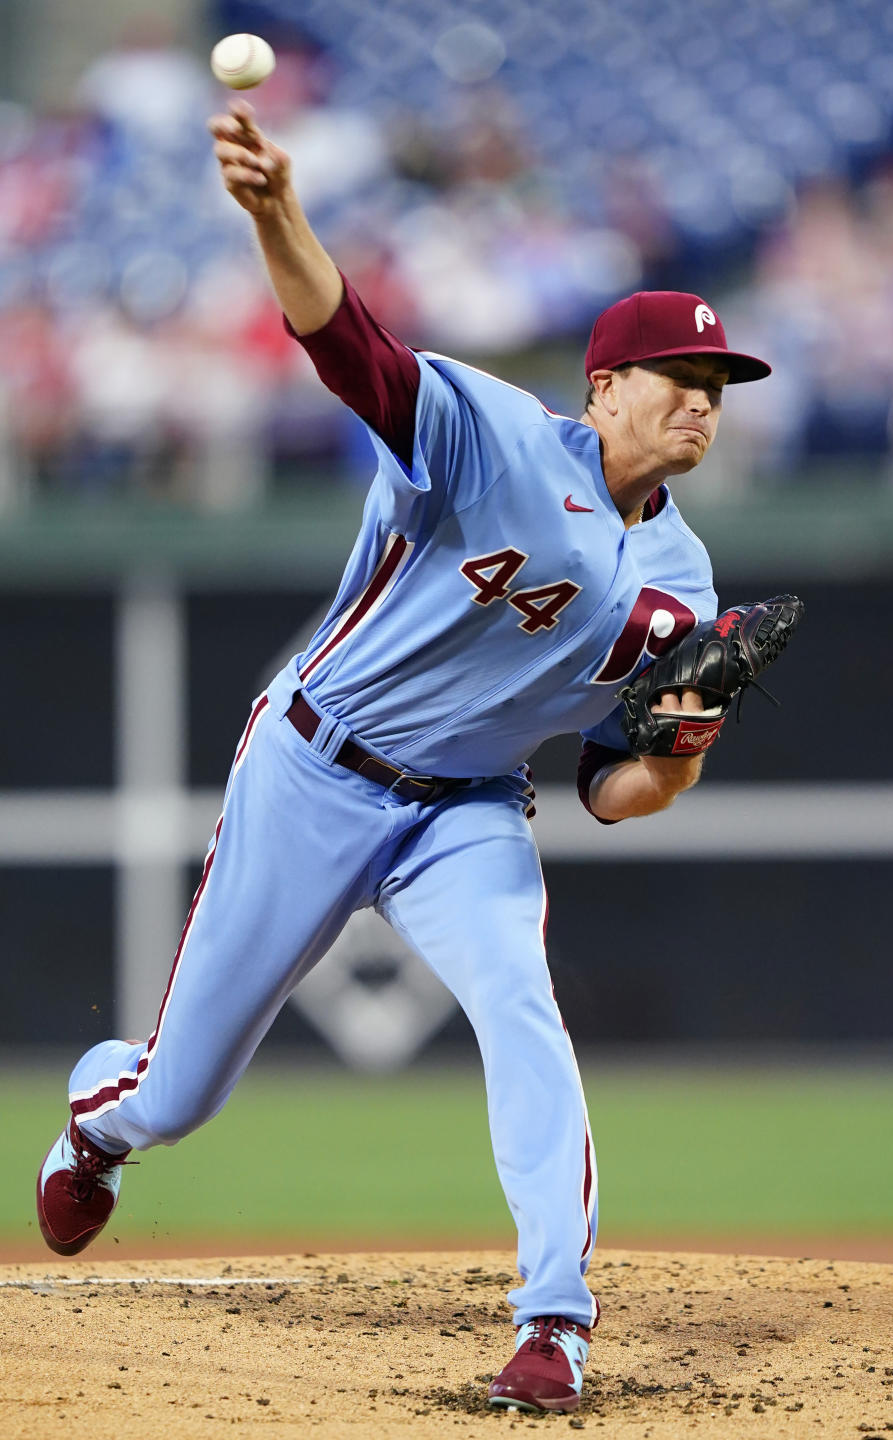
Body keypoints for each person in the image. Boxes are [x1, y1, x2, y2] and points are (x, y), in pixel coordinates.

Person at [37, 101, 772, 1415]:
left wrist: (688, 741)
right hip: (314, 767)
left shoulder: (682, 579)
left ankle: (555, 1322)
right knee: (178, 1093)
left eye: (718, 392)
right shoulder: (488, 435)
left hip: (467, 813)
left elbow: (617, 787)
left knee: (523, 1013)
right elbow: (346, 345)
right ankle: (99, 1129)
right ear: (604, 386)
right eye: (681, 382)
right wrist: (275, 212)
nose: (702, 408)